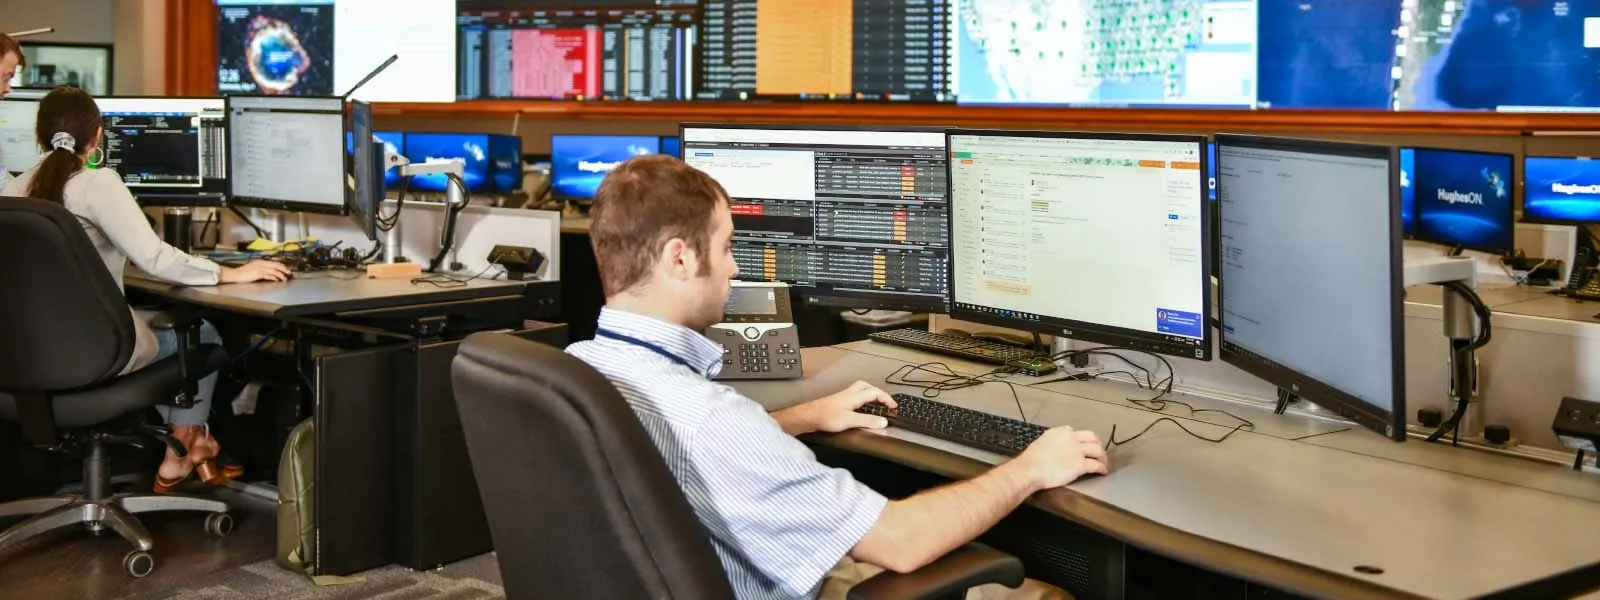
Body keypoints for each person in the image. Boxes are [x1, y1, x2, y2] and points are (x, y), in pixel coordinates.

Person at [566, 155, 1109, 600]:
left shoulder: (578, 371)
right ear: (679, 260)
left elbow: (677, 452)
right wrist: (1031, 468)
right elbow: (901, 543)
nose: (735, 268)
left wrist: (801, 417)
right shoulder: (711, 418)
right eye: (727, 246)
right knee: (1044, 596)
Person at [1, 87, 291, 493]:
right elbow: (154, 258)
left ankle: (188, 447)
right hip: (93, 356)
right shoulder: (97, 182)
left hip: (27, 360)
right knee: (202, 331)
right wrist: (230, 274)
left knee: (162, 329)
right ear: (98, 136)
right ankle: (186, 444)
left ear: (39, 137)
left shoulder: (12, 192)